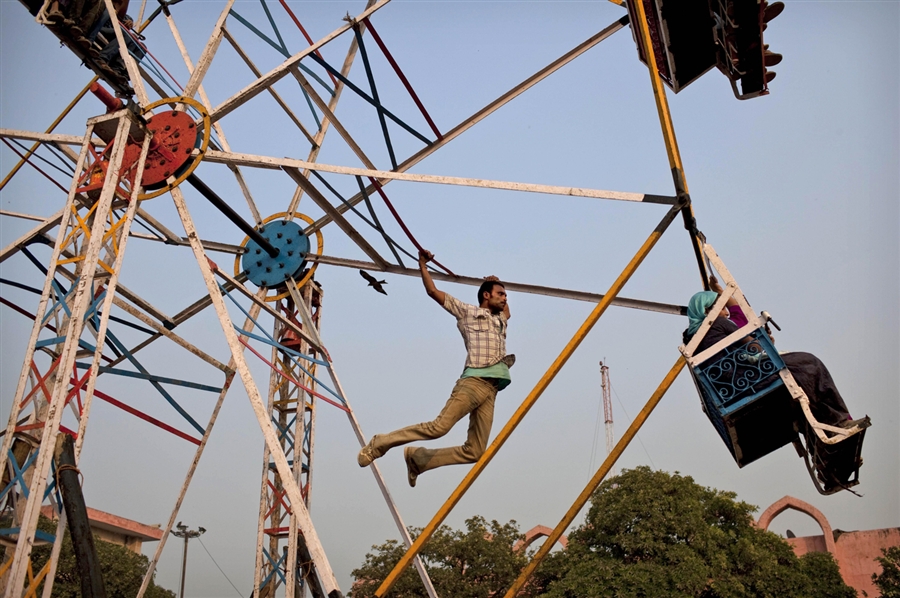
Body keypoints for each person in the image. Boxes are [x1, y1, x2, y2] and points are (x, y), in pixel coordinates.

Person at [357, 249, 514, 487]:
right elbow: (433, 292)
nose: (505, 299)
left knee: (475, 451)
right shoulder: (469, 313)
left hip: (491, 390)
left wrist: (494, 282)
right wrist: (422, 264)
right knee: (438, 428)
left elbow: (507, 312)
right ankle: (379, 443)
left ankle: (419, 460)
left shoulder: (500, 319)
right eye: (500, 294)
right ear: (485, 295)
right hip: (473, 383)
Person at [683, 277, 865, 428]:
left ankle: (828, 426)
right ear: (708, 310)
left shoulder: (693, 338)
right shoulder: (718, 323)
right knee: (810, 363)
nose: (726, 312)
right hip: (748, 380)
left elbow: (738, 323)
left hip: (731, 389)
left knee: (800, 378)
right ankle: (840, 420)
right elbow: (756, 348)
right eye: (721, 307)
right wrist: (766, 342)